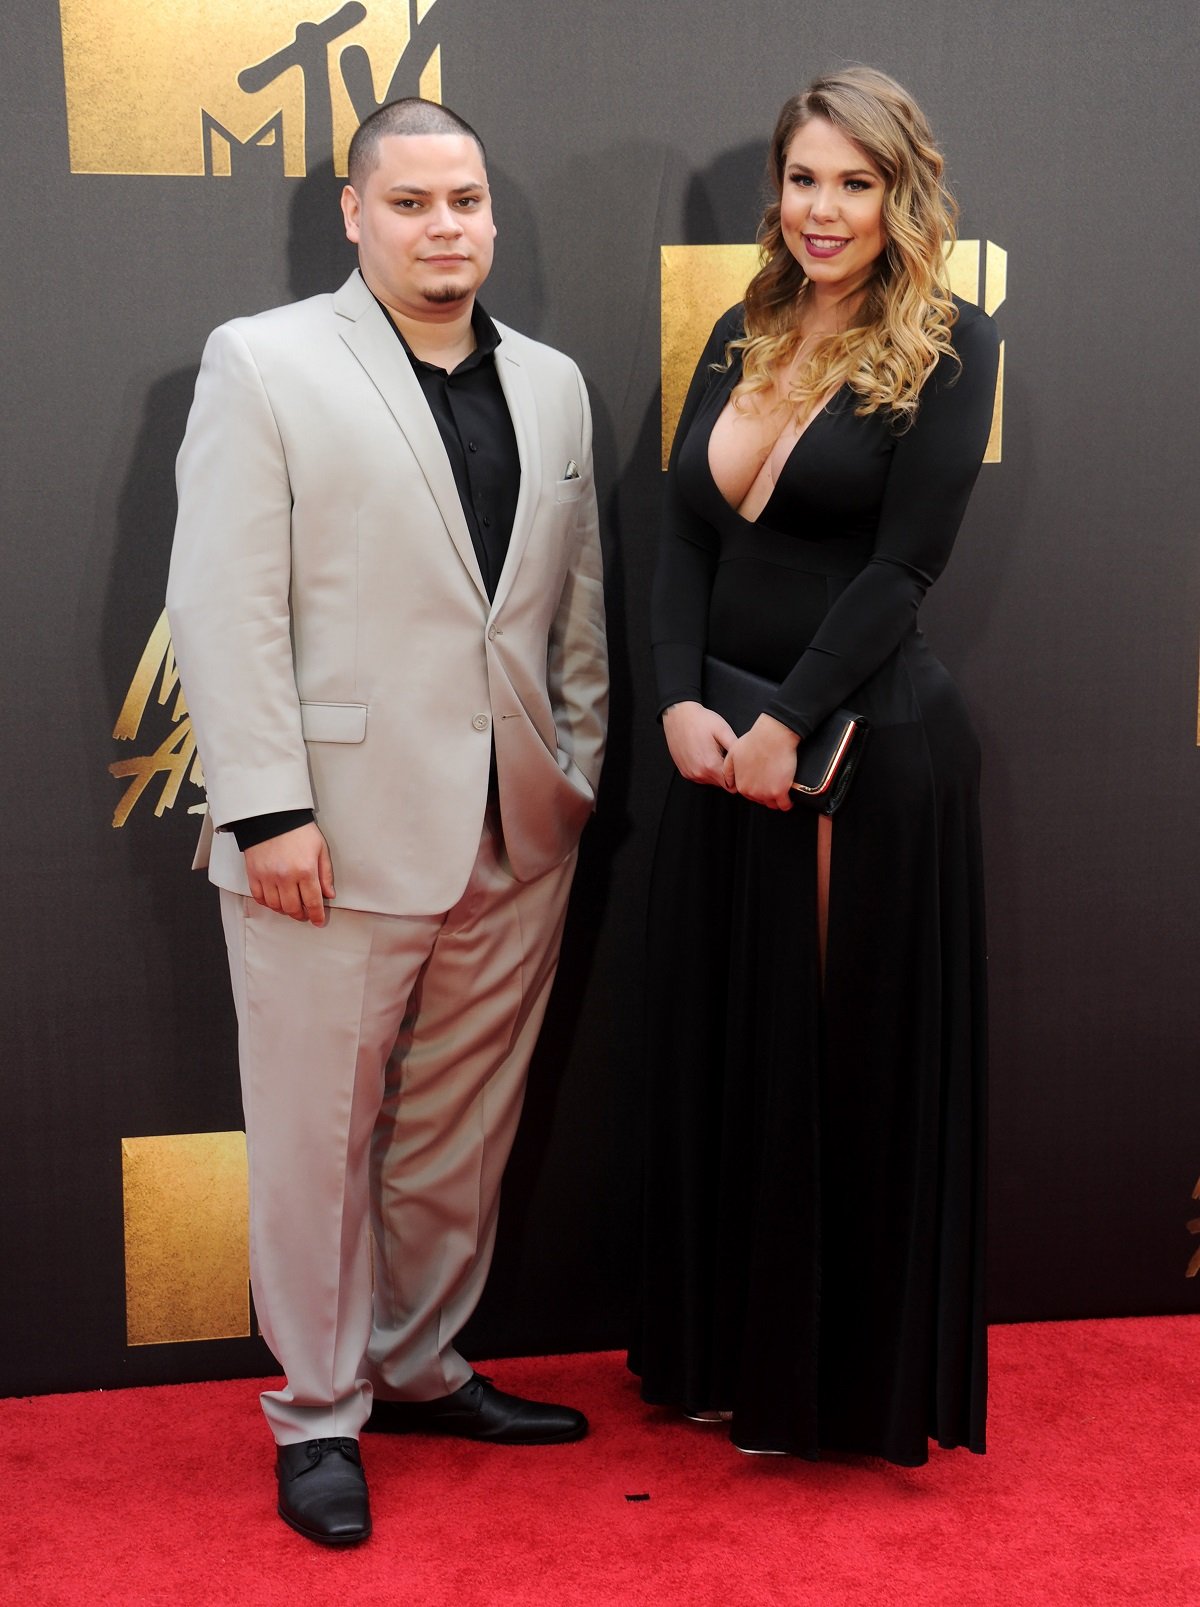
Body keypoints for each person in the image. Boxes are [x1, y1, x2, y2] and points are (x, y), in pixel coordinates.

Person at [166, 98, 607, 1544]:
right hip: (328, 839)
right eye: (410, 203)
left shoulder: (553, 385)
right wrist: (267, 810)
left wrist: (572, 772)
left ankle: (419, 1366)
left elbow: (573, 610)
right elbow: (222, 604)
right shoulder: (265, 361)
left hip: (515, 834)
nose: (443, 228)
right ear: (355, 215)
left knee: (458, 1131)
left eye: (464, 200)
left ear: (493, 215)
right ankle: (316, 1411)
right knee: (314, 1138)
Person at [629, 66, 999, 1465]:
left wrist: (787, 723)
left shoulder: (954, 343)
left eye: (857, 182)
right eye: (804, 180)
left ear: (905, 194)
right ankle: (727, 1358)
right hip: (721, 746)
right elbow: (684, 532)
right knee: (738, 1054)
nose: (824, 209)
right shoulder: (747, 327)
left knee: (827, 1064)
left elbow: (906, 565)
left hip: (856, 750)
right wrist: (676, 701)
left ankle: (827, 1390)